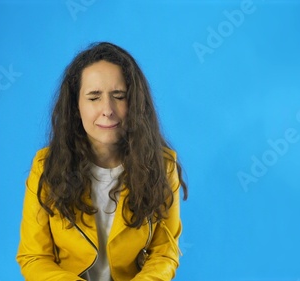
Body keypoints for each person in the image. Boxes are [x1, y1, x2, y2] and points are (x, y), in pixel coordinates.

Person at [16, 42, 188, 281]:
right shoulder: (45, 167)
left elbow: (164, 253)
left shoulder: (163, 166)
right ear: (76, 106)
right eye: (94, 97)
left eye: (119, 96)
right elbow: (34, 257)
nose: (107, 109)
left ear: (135, 103)